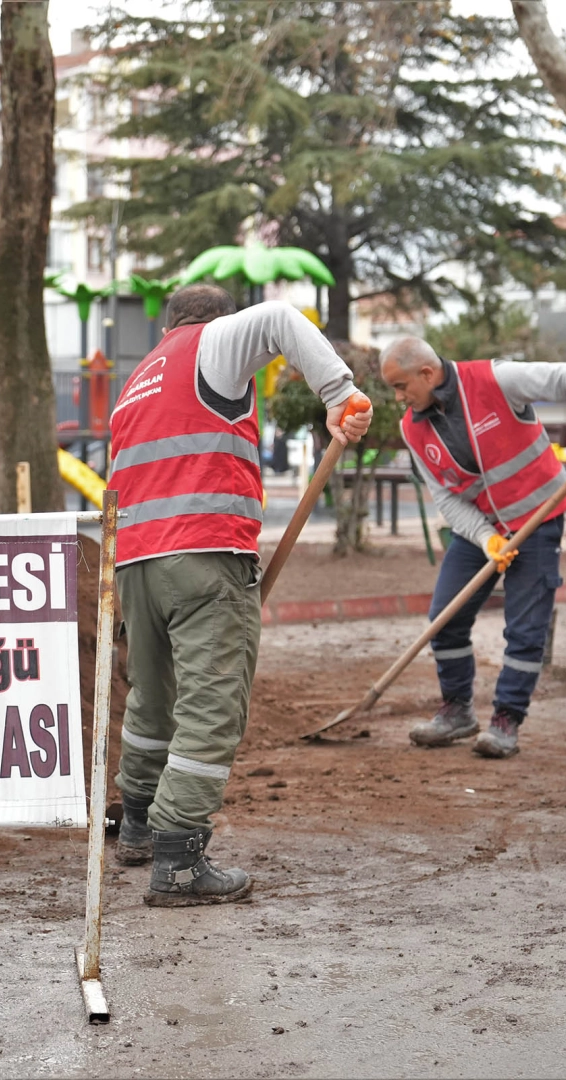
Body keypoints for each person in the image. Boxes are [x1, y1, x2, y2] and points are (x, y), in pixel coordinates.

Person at [108, 284, 372, 906]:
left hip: (135, 565)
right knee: (211, 706)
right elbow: (281, 317)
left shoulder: (139, 379)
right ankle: (178, 861)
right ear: (218, 321)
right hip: (201, 556)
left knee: (152, 698)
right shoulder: (213, 344)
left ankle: (140, 825)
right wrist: (340, 393)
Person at [380, 337, 566, 759]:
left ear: (426, 374)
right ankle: (458, 711)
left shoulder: (495, 379)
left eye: (400, 385)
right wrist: (486, 538)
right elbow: (446, 499)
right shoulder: (413, 427)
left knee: (525, 628)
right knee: (445, 617)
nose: (398, 397)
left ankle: (506, 720)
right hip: (479, 529)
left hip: (538, 518)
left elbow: (564, 376)